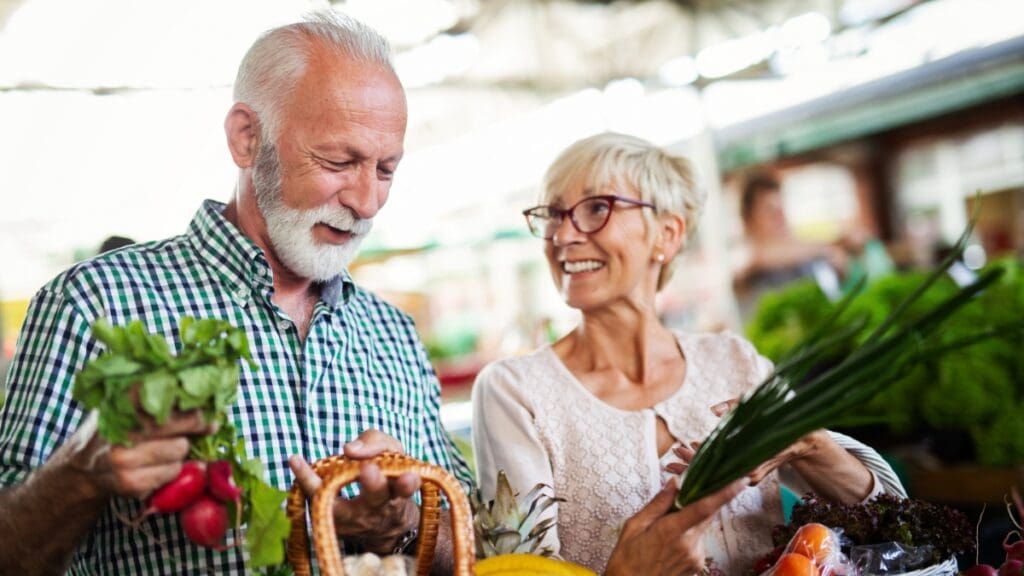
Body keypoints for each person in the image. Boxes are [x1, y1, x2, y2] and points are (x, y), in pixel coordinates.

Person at [0, 13, 471, 575]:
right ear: (247, 138)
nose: (367, 201)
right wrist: (80, 475)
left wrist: (405, 526)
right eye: (339, 161)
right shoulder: (95, 304)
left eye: (386, 169)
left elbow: (475, 549)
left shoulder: (391, 333)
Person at [471, 133, 905, 575]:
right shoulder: (516, 391)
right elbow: (518, 569)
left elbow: (895, 522)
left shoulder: (735, 363)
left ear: (667, 234)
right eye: (552, 214)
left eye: (596, 208)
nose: (562, 235)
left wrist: (810, 444)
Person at [733, 172, 865, 321]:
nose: (780, 218)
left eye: (782, 209)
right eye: (771, 211)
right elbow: (759, 258)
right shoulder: (742, 255)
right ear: (748, 219)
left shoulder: (801, 254)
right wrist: (828, 249)